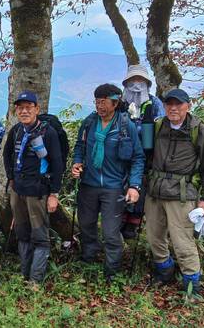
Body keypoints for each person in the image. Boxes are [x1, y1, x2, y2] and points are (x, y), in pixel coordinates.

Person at [145, 89, 204, 296]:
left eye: (178, 104)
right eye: (169, 104)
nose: (173, 108)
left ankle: (191, 286)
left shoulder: (198, 131)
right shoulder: (159, 126)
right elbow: (147, 158)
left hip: (182, 195)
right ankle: (165, 272)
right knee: (154, 237)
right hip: (155, 192)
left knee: (183, 242)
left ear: (188, 106)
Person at [72, 84, 145, 281]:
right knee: (86, 225)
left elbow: (138, 158)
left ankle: (111, 273)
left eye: (104, 102)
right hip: (89, 184)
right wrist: (77, 162)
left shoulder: (125, 125)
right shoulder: (89, 122)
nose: (99, 106)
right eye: (97, 101)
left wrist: (134, 185)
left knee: (111, 232)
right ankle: (88, 261)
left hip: (113, 187)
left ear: (115, 103)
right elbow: (80, 146)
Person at [3, 91, 64, 283]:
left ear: (37, 109)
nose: (24, 111)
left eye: (28, 107)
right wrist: (12, 179)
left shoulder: (48, 133)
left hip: (37, 192)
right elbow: (7, 156)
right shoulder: (16, 131)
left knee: (39, 236)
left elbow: (57, 163)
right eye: (20, 108)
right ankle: (24, 273)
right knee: (22, 233)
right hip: (18, 191)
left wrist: (54, 193)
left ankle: (36, 280)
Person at [120, 65, 165, 239]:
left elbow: (161, 127)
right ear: (127, 84)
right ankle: (122, 217)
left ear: (147, 84)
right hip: (122, 153)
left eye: (140, 81)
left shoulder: (154, 104)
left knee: (141, 184)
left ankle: (134, 221)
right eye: (133, 81)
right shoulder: (121, 104)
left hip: (147, 154)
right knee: (122, 183)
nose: (136, 85)